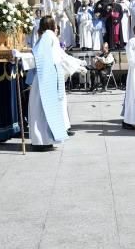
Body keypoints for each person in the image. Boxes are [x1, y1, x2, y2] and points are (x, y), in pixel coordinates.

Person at [17, 16, 85, 150]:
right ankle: (45, 140)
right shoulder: (51, 36)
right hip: (51, 75)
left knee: (39, 109)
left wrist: (20, 57)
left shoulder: (47, 36)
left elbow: (38, 56)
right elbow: (60, 56)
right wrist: (77, 64)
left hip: (45, 76)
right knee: (47, 108)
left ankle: (42, 140)